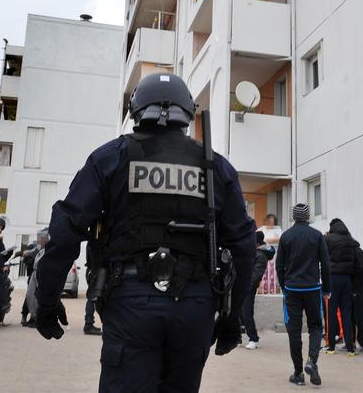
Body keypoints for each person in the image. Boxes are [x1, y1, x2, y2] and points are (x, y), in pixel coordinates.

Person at [34, 73, 256, 392]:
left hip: (130, 300)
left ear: (137, 111)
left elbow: (66, 229)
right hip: (195, 305)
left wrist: (47, 297)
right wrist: (233, 318)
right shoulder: (216, 167)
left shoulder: (110, 157)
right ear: (187, 113)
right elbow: (244, 248)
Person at [276, 203, 331, 387]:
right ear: (308, 217)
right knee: (316, 326)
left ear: (294, 216)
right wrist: (327, 288)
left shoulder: (286, 236)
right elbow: (325, 263)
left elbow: (279, 265)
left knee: (294, 331)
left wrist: (285, 287)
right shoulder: (316, 236)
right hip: (313, 289)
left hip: (292, 289)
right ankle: (312, 361)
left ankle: (298, 373)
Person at [324, 218, 358, 356]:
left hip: (332, 278)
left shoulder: (329, 239)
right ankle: (350, 347)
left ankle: (331, 346)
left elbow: (323, 257)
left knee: (331, 313)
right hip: (347, 279)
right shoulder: (350, 240)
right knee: (346, 313)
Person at [241, 230, 275, 349]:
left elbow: (256, 274)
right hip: (243, 285)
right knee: (240, 311)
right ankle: (239, 335)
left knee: (247, 312)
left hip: (248, 287)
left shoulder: (261, 255)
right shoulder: (255, 252)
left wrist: (245, 285)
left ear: (256, 243)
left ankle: (253, 339)